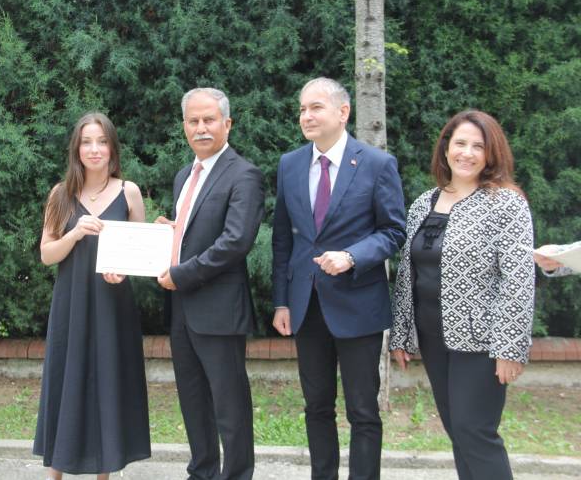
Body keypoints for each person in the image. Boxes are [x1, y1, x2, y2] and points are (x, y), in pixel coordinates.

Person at [271, 77, 406, 480]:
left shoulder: (377, 164)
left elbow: (393, 231)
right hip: (306, 305)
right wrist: (281, 301)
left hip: (359, 306)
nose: (306, 116)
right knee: (316, 407)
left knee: (363, 411)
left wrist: (352, 256)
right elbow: (283, 239)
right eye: (302, 109)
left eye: (316, 107)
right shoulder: (290, 164)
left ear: (343, 112)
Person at [390, 110, 535, 480]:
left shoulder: (506, 203)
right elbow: (408, 273)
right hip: (433, 335)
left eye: (478, 146)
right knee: (457, 430)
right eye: (460, 143)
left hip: (481, 340)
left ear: (491, 154)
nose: (467, 153)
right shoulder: (424, 203)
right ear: (445, 148)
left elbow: (517, 279)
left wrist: (510, 347)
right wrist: (402, 335)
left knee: (475, 432)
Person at [33, 112, 151, 480]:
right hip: (72, 303)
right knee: (66, 379)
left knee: (109, 381)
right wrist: (74, 234)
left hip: (113, 304)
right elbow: (46, 255)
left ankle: (106, 472)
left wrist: (125, 270)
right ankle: (55, 473)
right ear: (76, 148)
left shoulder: (129, 191)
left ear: (112, 148)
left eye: (102, 141)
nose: (94, 149)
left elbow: (141, 252)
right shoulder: (60, 194)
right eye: (87, 142)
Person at [156, 87, 264, 480]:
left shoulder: (244, 175)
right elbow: (195, 234)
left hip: (219, 311)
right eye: (193, 121)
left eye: (209, 120)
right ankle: (201, 472)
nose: (201, 128)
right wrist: (169, 234)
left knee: (229, 406)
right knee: (193, 401)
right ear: (184, 126)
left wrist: (181, 274)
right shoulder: (184, 176)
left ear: (227, 124)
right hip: (182, 310)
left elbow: (235, 242)